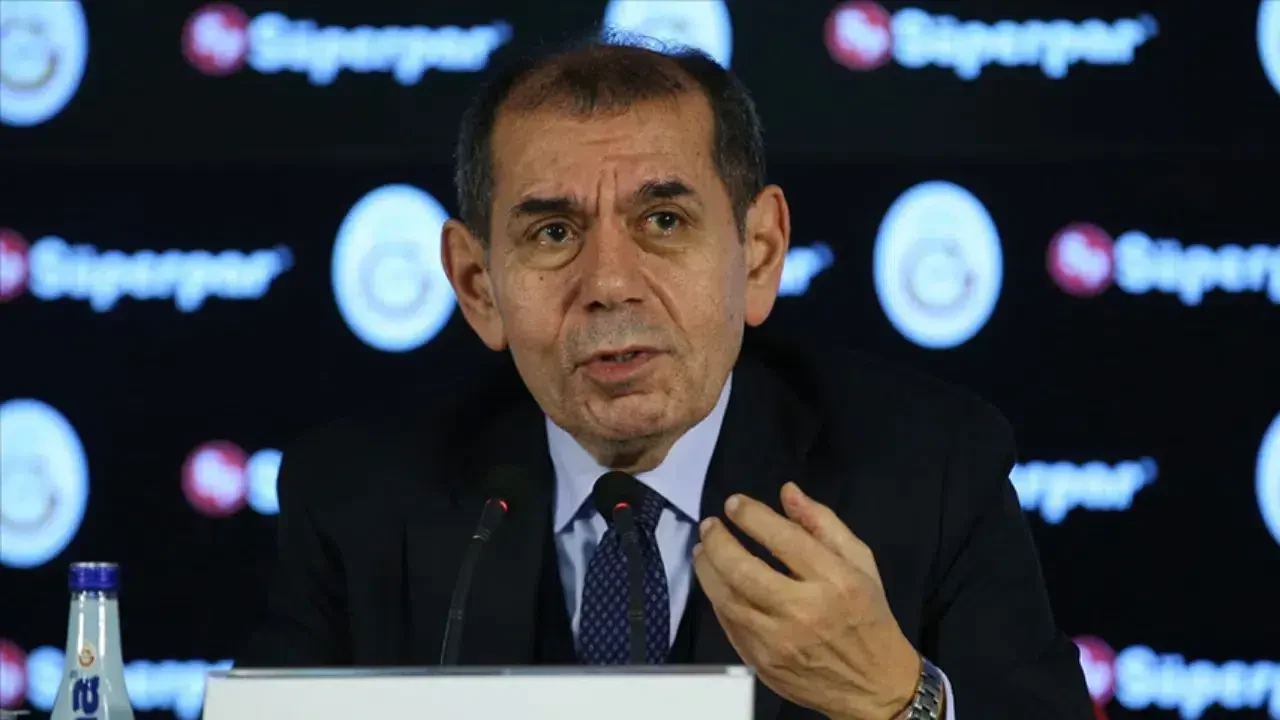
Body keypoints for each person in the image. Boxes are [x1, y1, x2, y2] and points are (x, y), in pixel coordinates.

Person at [239, 36, 1093, 720]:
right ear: (477, 284)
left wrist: (900, 701)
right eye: (552, 233)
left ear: (758, 255)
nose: (610, 283)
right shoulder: (357, 496)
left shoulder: (932, 469)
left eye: (663, 220)